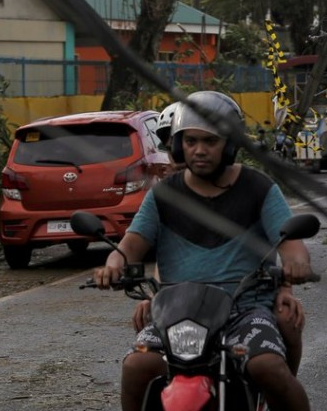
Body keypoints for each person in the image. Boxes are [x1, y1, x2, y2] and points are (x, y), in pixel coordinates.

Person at [93, 90, 312, 411]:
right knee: (136, 365)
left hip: (244, 311)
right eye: (191, 141)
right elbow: (129, 246)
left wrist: (296, 264)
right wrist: (113, 265)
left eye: (210, 142)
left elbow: (292, 245)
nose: (199, 150)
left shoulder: (259, 188)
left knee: (267, 367)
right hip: (176, 312)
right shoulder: (163, 196)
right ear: (179, 145)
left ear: (230, 145)